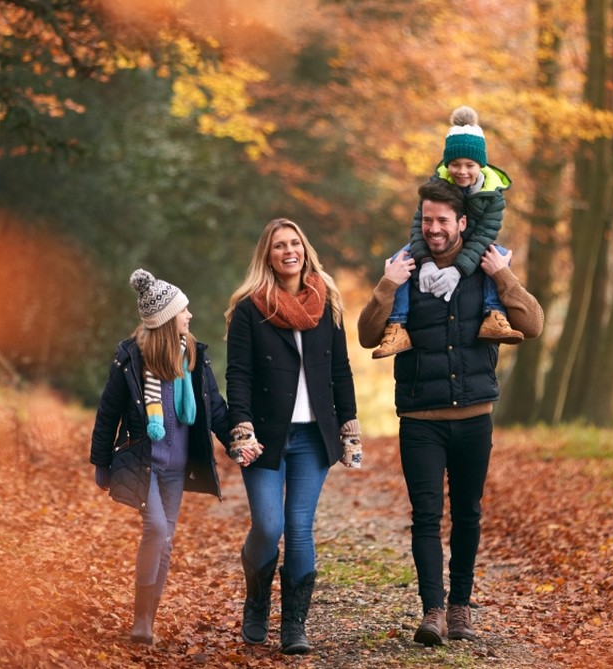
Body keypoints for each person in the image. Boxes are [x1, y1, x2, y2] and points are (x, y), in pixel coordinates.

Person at [357, 179, 544, 645]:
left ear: (462, 223)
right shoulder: (405, 269)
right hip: (421, 420)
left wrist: (504, 275)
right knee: (425, 517)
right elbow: (365, 335)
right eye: (427, 220)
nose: (435, 228)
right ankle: (433, 612)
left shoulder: (484, 269)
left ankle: (460, 607)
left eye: (443, 220)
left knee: (467, 514)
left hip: (474, 418)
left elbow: (534, 325)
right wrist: (387, 283)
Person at [224, 218, 361, 655]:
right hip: (265, 435)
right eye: (280, 245)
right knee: (269, 524)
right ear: (268, 254)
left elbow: (340, 370)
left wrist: (349, 425)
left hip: (314, 436)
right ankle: (257, 600)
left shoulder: (328, 302)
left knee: (300, 528)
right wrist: (240, 424)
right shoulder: (250, 308)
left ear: (305, 249)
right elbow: (238, 373)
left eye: (295, 243)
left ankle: (295, 626)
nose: (289, 251)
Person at [89, 269, 234, 645]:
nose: (190, 316)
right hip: (145, 463)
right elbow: (109, 412)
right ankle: (140, 618)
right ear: (168, 320)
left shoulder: (193, 359)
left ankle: (147, 621)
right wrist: (101, 462)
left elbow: (215, 409)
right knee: (155, 528)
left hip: (177, 468)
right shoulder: (131, 362)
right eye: (183, 311)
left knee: (165, 539)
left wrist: (237, 441)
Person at [372, 105, 523, 359]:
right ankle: (396, 325)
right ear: (447, 164)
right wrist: (427, 261)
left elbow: (486, 233)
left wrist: (458, 269)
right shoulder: (436, 188)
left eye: (469, 165)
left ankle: (494, 314)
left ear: (480, 165)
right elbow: (419, 227)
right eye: (455, 164)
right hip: (438, 244)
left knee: (498, 257)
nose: (461, 171)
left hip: (474, 242)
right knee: (401, 260)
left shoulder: (493, 196)